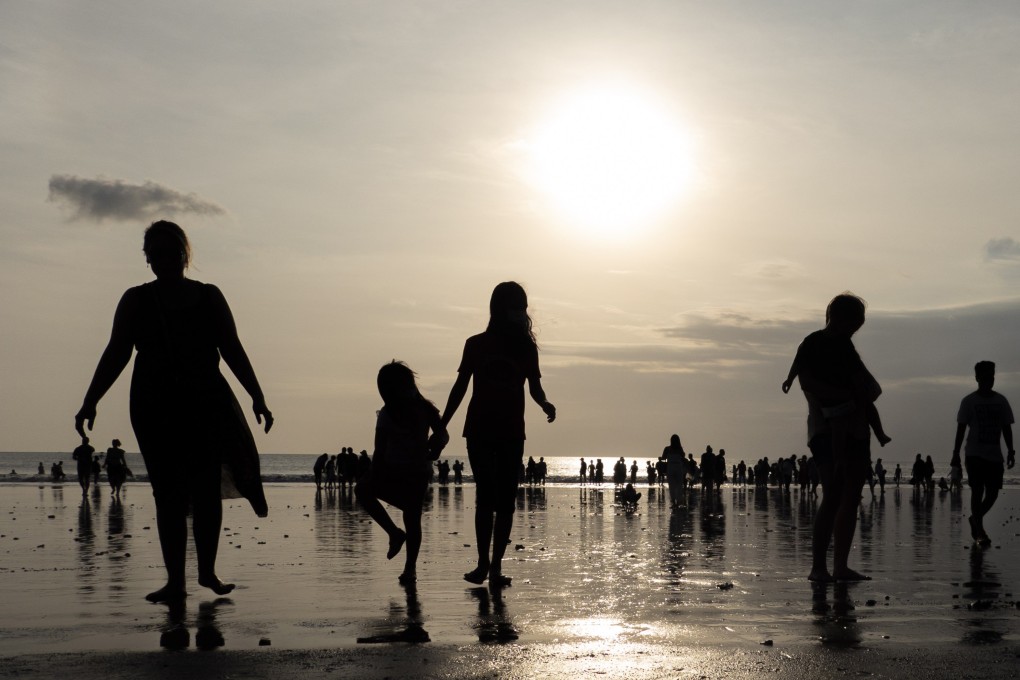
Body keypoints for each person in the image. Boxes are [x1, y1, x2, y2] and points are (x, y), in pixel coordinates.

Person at [74, 220, 273, 603]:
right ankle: (176, 581)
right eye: (156, 254)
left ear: (186, 255)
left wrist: (257, 395)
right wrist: (90, 399)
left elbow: (231, 347)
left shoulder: (209, 296)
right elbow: (116, 351)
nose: (165, 260)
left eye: (173, 253)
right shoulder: (135, 300)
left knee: (205, 488)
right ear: (147, 259)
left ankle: (207, 571)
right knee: (167, 492)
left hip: (205, 403)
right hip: (154, 404)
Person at [441, 282, 556, 587]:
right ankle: (482, 564)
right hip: (478, 429)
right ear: (500, 309)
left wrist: (545, 403)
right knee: (485, 497)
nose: (522, 313)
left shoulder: (526, 349)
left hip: (511, 431)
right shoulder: (476, 344)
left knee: (506, 501)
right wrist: (442, 424)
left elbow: (535, 388)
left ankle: (495, 568)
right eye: (517, 306)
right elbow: (460, 388)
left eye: (523, 307)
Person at [792, 293, 880, 582]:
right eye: (856, 322)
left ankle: (840, 566)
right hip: (824, 428)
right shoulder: (813, 342)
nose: (857, 328)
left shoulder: (847, 348)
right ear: (840, 317)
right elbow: (806, 382)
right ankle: (819, 567)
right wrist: (845, 395)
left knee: (851, 496)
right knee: (832, 494)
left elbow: (870, 387)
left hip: (855, 428)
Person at [356, 361, 448, 584]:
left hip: (415, 471)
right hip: (397, 469)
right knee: (366, 493)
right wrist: (375, 472)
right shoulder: (389, 413)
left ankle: (409, 567)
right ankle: (396, 538)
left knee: (410, 516)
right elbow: (379, 448)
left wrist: (437, 447)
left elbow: (442, 434)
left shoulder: (424, 409)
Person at [952, 361, 1015, 546]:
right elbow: (961, 429)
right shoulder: (969, 401)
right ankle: (979, 531)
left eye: (992, 377)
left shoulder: (1001, 401)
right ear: (977, 378)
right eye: (986, 377)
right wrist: (955, 453)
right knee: (977, 491)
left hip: (995, 455)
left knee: (993, 493)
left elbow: (1006, 428)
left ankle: (975, 519)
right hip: (974, 454)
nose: (990, 380)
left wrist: (1011, 451)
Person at [663, 434, 686, 509]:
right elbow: (683, 456)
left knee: (671, 485)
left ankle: (673, 502)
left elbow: (663, 457)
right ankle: (679, 501)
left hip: (671, 466)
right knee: (679, 485)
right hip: (678, 467)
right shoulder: (680, 448)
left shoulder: (667, 448)